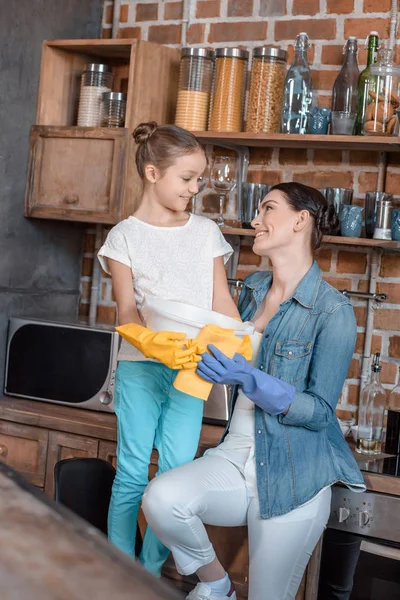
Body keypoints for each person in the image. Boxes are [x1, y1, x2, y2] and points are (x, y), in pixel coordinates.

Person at [142, 182, 366, 600]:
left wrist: (252, 380)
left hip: (292, 474)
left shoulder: (333, 311)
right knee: (162, 498)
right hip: (235, 458)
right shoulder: (253, 289)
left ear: (301, 221)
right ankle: (216, 585)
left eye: (267, 209)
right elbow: (219, 340)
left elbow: (320, 412)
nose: (255, 220)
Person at [97, 121, 240, 577]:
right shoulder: (124, 236)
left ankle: (152, 570)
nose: (195, 189)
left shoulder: (205, 233)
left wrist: (243, 339)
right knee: (133, 473)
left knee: (176, 477)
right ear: (153, 173)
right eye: (187, 178)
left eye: (199, 179)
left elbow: (221, 303)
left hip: (192, 371)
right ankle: (123, 573)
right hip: (141, 367)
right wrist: (154, 345)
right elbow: (125, 312)